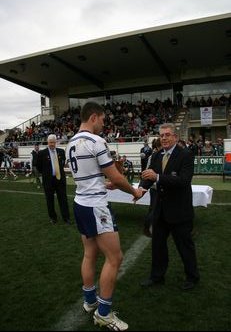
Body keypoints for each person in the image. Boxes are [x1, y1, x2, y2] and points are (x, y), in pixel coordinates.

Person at [66, 102, 142, 331]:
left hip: (80, 202)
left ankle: (90, 302)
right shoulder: (96, 141)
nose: (103, 123)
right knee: (115, 258)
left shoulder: (70, 141)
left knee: (89, 254)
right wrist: (134, 191)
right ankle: (104, 313)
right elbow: (118, 178)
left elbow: (88, 174)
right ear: (93, 117)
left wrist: (101, 183)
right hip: (96, 207)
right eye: (102, 119)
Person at [137, 123, 200, 290]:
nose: (163, 138)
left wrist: (158, 177)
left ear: (176, 137)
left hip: (180, 211)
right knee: (158, 247)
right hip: (160, 211)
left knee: (184, 247)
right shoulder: (157, 156)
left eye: (167, 135)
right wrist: (140, 190)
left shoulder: (186, 155)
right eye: (161, 135)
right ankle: (157, 277)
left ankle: (192, 277)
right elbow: (148, 177)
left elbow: (183, 181)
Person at [36, 134, 71, 225]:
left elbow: (62, 164)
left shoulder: (61, 151)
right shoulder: (41, 153)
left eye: (53, 142)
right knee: (49, 200)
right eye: (50, 142)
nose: (52, 144)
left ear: (56, 142)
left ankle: (66, 217)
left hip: (60, 179)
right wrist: (47, 173)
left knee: (63, 199)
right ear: (47, 142)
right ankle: (53, 218)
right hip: (48, 181)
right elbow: (39, 167)